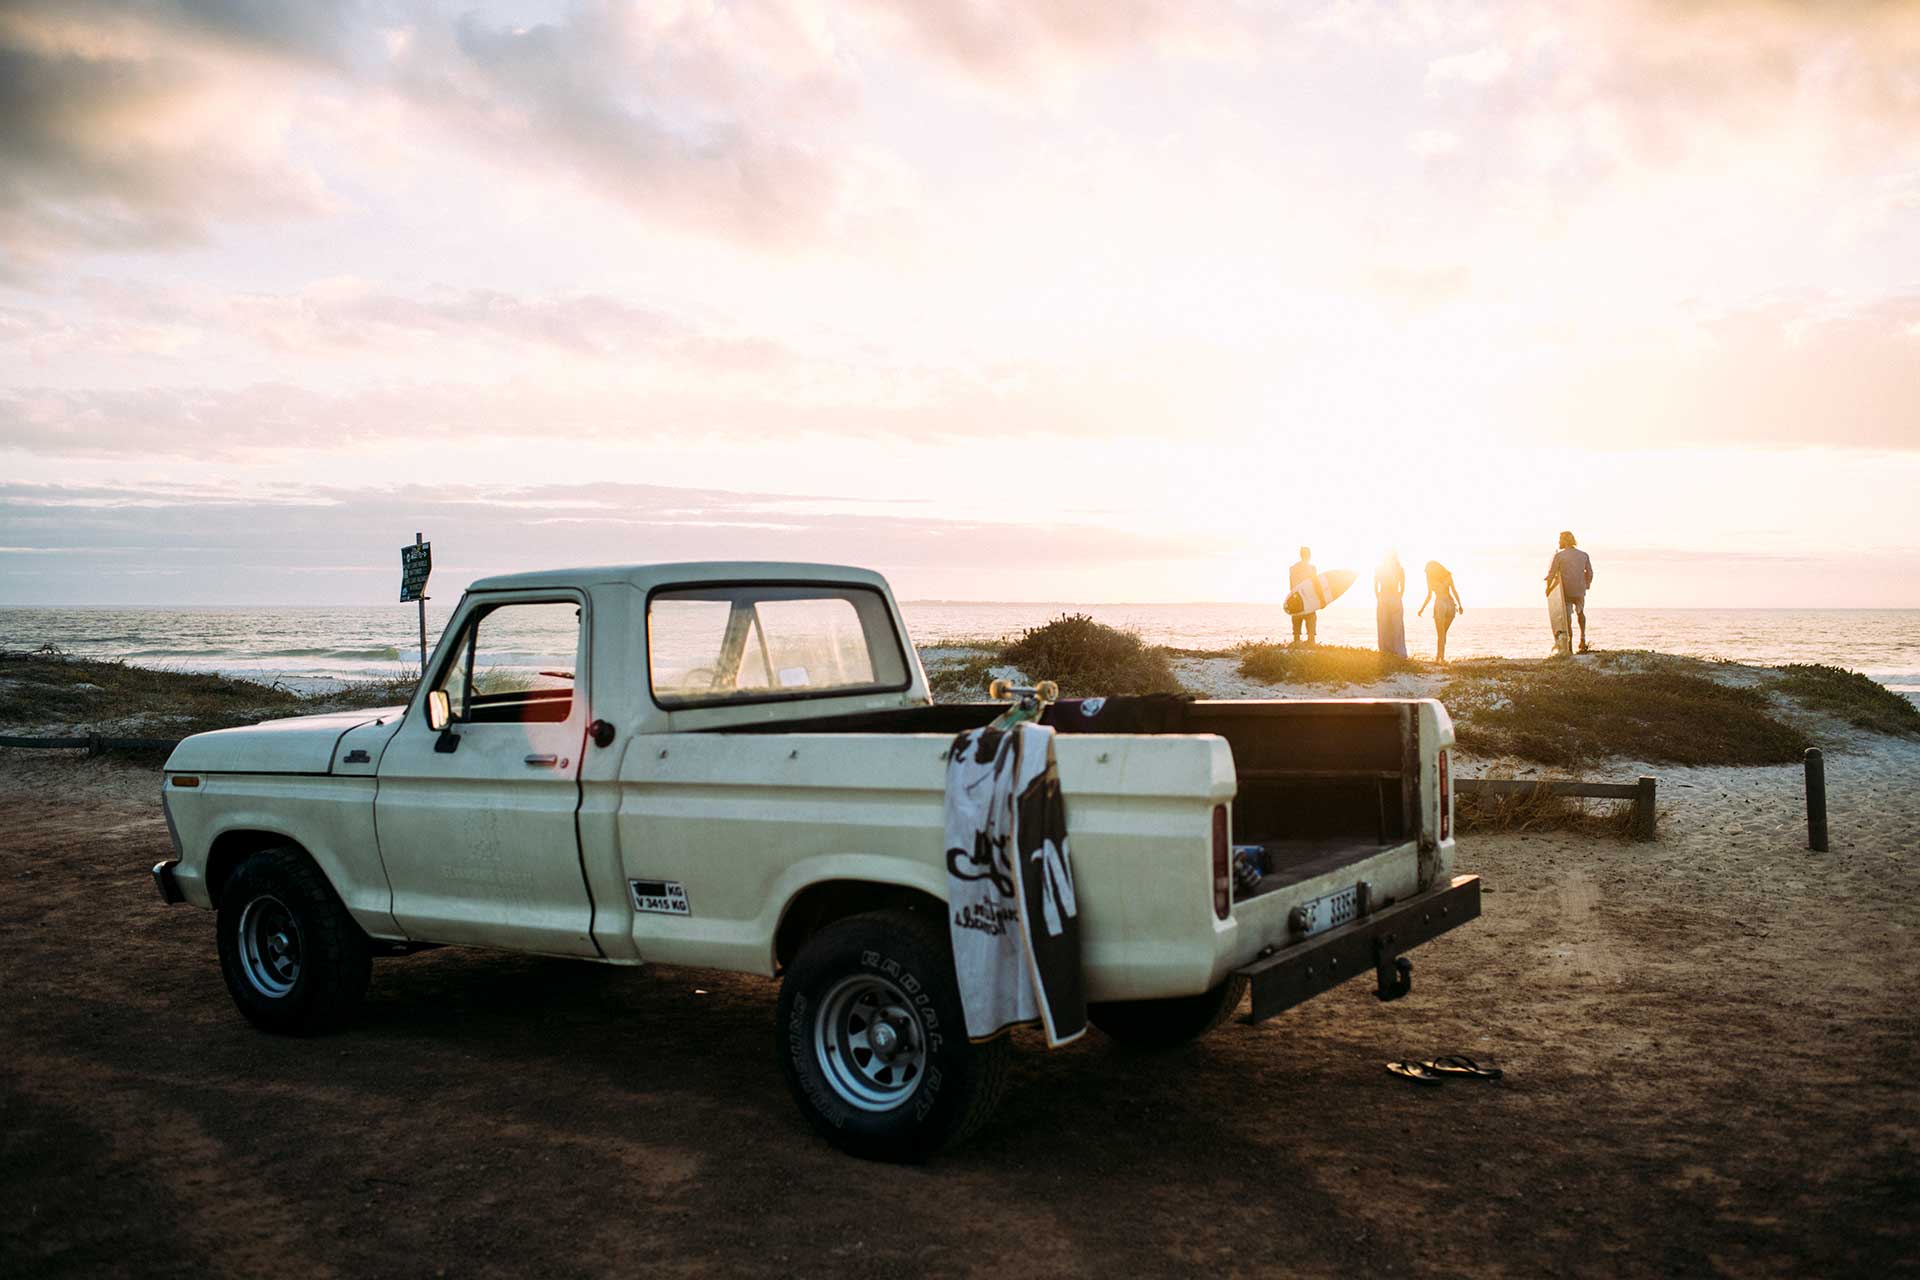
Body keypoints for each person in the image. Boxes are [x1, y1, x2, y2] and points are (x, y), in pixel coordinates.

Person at [1545, 530, 1594, 653]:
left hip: (1565, 592)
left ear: (1565, 540)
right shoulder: (1584, 555)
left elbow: (1551, 574)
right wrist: (1587, 584)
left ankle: (1570, 645)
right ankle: (1582, 638)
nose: (1558, 542)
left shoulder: (1559, 556)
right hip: (1579, 590)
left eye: (1560, 539)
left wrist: (1548, 588)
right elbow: (1590, 573)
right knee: (1580, 613)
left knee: (1567, 619)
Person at [1416, 560, 1464, 661]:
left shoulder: (1430, 578)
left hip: (1440, 605)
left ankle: (1439, 658)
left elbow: (1429, 595)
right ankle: (1441, 656)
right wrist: (1460, 605)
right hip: (1451, 605)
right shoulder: (1448, 576)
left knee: (1440, 634)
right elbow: (1454, 590)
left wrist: (1421, 609)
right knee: (1444, 634)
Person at [1374, 551, 1408, 658]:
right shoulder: (1400, 569)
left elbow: (1375, 586)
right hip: (1395, 597)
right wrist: (1398, 597)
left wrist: (1379, 597)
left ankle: (1384, 651)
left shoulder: (1379, 569)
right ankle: (1399, 652)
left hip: (1383, 596)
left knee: (1383, 625)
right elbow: (1402, 587)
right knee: (1397, 626)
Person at [1288, 546, 1317, 645]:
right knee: (1311, 619)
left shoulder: (1292, 568)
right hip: (1309, 600)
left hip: (1296, 599)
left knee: (1296, 620)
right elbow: (1315, 586)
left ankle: (1296, 641)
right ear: (1309, 555)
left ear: (1300, 555)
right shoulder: (1312, 569)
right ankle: (1311, 641)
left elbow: (1291, 586)